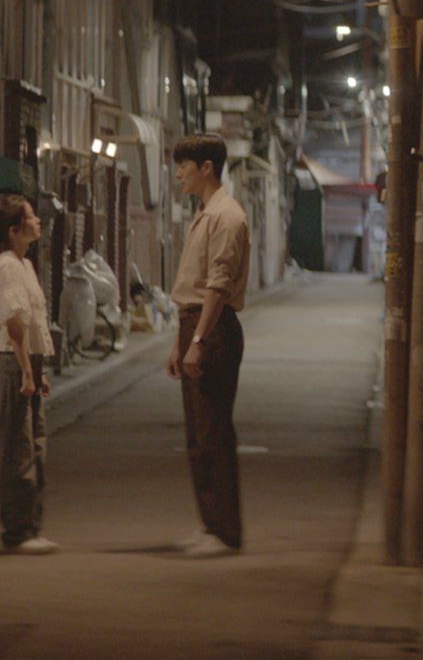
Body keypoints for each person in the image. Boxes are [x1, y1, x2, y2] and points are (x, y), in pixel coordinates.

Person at [168, 133, 251, 558]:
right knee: (197, 436)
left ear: (207, 168)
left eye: (184, 166)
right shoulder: (204, 214)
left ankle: (226, 531)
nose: (178, 174)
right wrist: (178, 342)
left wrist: (198, 340)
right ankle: (210, 523)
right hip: (195, 325)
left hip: (213, 329)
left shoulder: (227, 216)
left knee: (213, 432)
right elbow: (192, 287)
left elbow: (217, 287)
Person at [0, 193, 57, 554]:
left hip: (26, 364)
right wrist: (27, 370)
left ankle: (30, 526)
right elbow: (14, 325)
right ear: (14, 229)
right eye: (31, 216)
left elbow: (32, 324)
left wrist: (37, 370)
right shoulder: (8, 266)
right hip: (12, 365)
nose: (38, 220)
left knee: (35, 445)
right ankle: (17, 531)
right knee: (18, 449)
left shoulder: (25, 264)